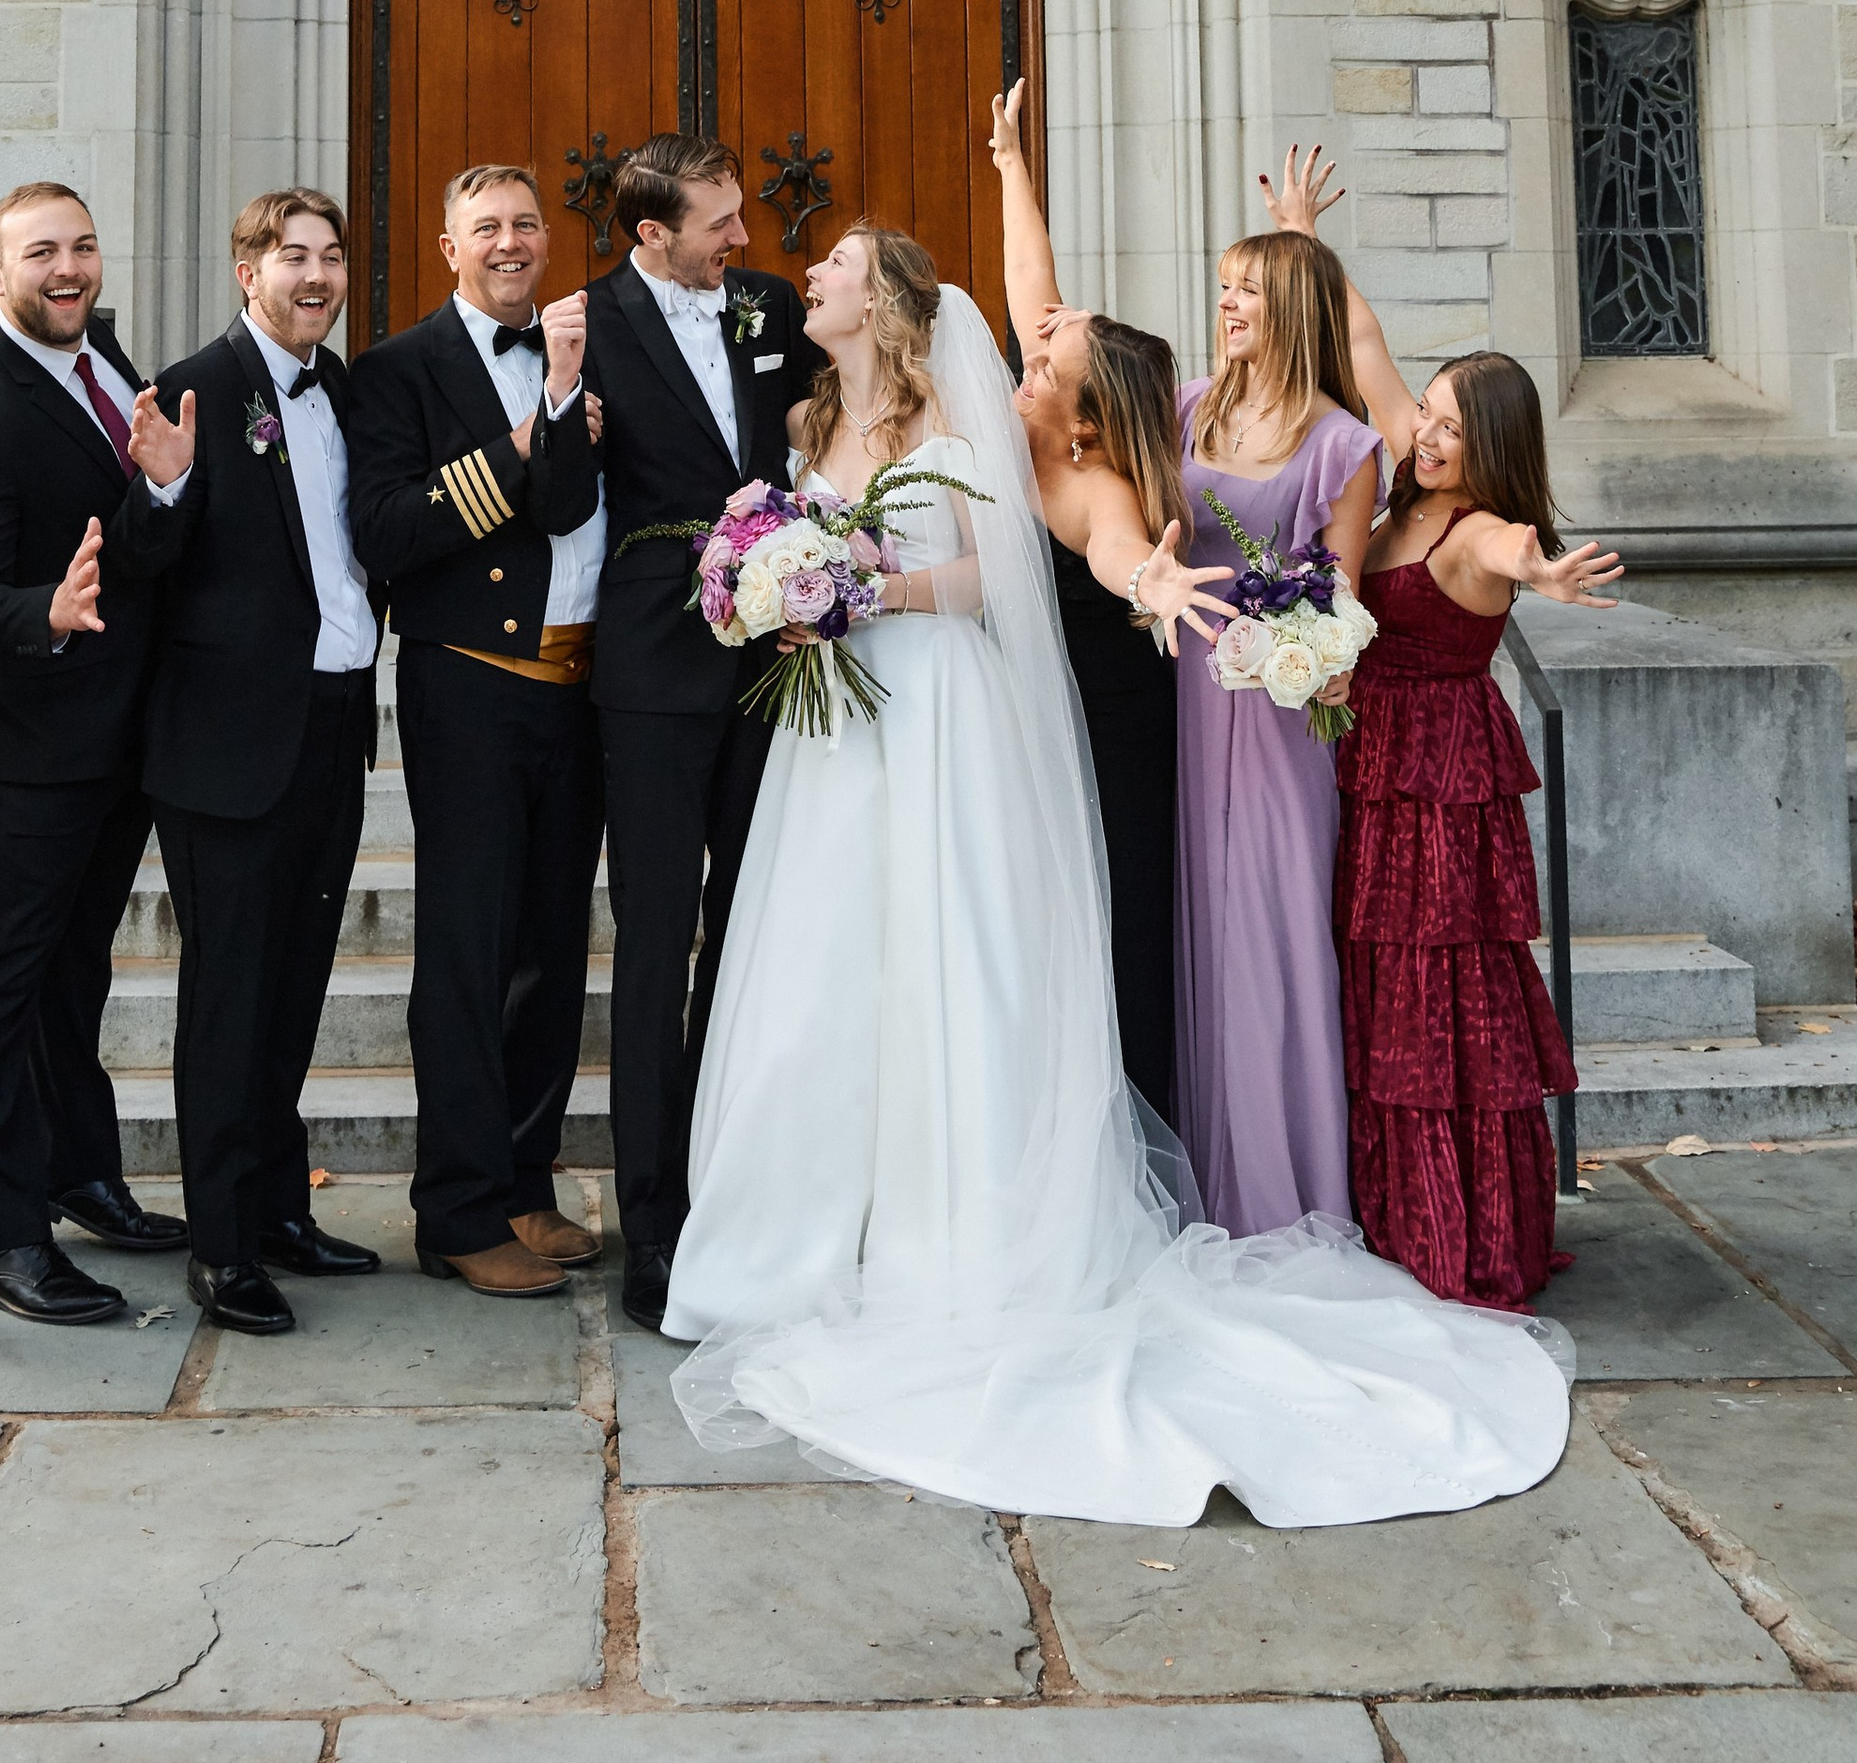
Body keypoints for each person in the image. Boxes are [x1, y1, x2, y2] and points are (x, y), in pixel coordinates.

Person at [658, 224, 1572, 1525]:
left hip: (960, 728)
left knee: (949, 966)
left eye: (843, 261)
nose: (813, 272)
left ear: (898, 303)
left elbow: (1053, 548)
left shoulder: (1010, 441)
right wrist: (777, 583)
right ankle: (796, 1235)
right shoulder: (813, 426)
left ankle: (946, 1233)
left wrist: (884, 581)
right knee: (819, 976)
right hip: (842, 741)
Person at [0, 181, 187, 1330]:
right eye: (40, 253)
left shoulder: (109, 358)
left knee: (75, 973)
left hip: (116, 740)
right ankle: (0, 1233)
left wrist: (165, 483)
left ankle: (79, 1173)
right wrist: (51, 610)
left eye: (81, 246)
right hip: (20, 754)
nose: (68, 268)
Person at [125, 189, 385, 1338]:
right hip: (227, 747)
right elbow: (138, 564)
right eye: (292, 257)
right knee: (229, 998)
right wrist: (168, 484)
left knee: (293, 988)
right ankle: (222, 1244)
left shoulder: (350, 391)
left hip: (334, 723)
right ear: (247, 270)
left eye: (330, 257)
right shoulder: (193, 389)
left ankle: (279, 1207)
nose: (315, 275)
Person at [346, 165, 603, 1299]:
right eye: (486, 227)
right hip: (471, 684)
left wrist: (560, 407)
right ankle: (453, 1207)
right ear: (448, 245)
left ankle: (521, 1183)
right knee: (468, 951)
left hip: (579, 689)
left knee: (550, 951)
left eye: (526, 225)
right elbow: (388, 530)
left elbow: (583, 507)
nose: (510, 243)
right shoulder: (396, 370)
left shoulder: (581, 356)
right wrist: (519, 441)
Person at [584, 133, 823, 1333]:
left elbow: (807, 451)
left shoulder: (770, 305)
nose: (743, 237)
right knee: (657, 937)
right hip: (652, 664)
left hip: (774, 653)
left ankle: (740, 1183)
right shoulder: (588, 323)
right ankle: (652, 1222)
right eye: (718, 221)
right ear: (649, 234)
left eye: (739, 215)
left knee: (755, 926)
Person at [1337, 350, 1622, 1307]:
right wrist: (1304, 245)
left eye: (1453, 426)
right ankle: (1383, 1204)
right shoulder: (1404, 478)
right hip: (1367, 765)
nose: (1426, 432)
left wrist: (1539, 571)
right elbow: (1366, 351)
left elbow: (1511, 551)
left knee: (1441, 989)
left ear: (1489, 442)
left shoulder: (1476, 528)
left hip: (1442, 779)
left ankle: (1455, 1220)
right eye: (1427, 412)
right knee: (1379, 982)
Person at [987, 82, 1232, 1115]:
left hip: (1115, 722)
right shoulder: (1035, 418)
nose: (1026, 357)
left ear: (1084, 419)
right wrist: (1009, 165)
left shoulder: (1095, 483)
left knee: (1116, 909)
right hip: (1042, 712)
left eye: (1045, 361)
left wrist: (1153, 578)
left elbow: (1116, 551)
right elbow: (1029, 284)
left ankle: (1131, 1124)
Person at [1173, 211, 1383, 1235]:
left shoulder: (1344, 444)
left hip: (1277, 715)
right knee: (1195, 931)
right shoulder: (1187, 412)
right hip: (1183, 701)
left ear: (1291, 307)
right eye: (1223, 283)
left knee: (1270, 929)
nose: (1226, 303)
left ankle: (1283, 1191)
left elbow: (1341, 598)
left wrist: (1315, 658)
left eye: (1246, 287)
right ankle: (1203, 1184)